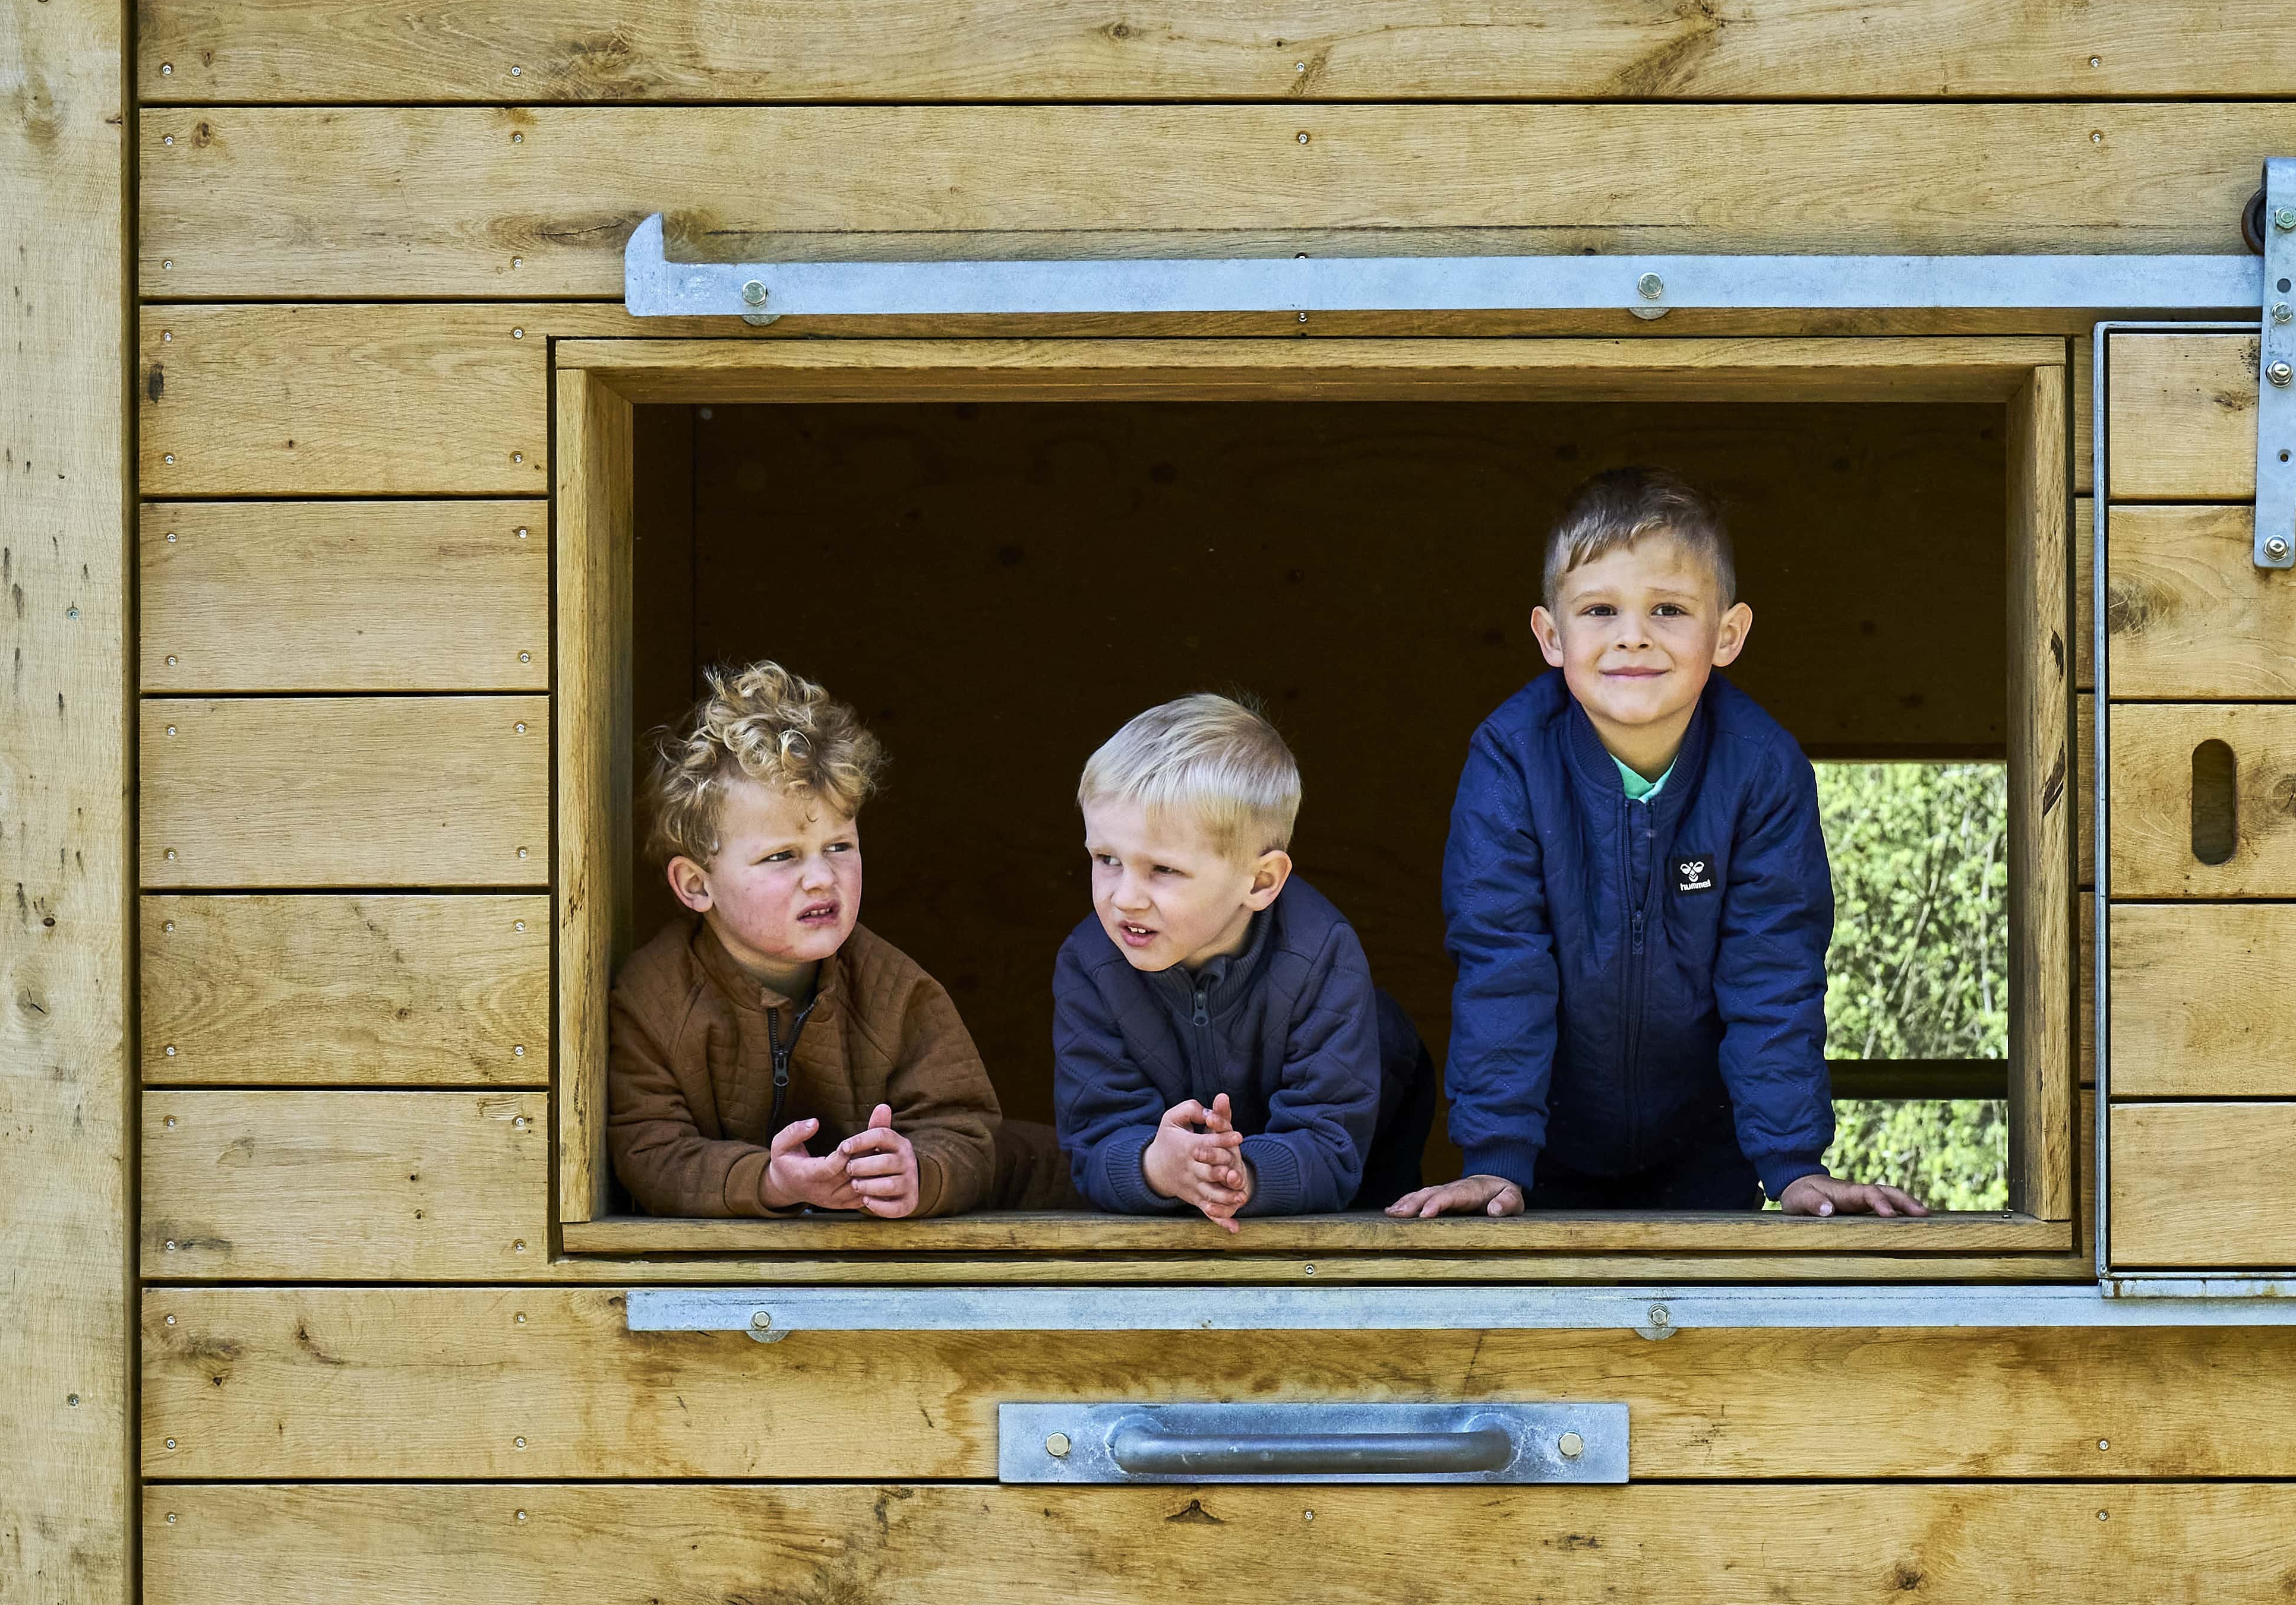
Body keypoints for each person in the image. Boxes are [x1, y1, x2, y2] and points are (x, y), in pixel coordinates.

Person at [1387, 467, 1924, 1223]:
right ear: (1551, 636)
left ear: (1727, 634)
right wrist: (1497, 1155)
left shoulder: (1762, 769)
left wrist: (1794, 1165)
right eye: (1599, 610)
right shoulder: (1512, 759)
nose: (1632, 635)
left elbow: (1773, 970)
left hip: (1710, 1149)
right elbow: (1502, 961)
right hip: (1543, 1151)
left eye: (1668, 609)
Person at [603, 660, 1060, 1217]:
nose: (822, 877)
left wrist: (917, 1172)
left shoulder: (895, 989)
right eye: (782, 856)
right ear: (697, 885)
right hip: (725, 1258)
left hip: (878, 1246)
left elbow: (965, 1129)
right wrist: (769, 1183)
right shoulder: (654, 998)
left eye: (839, 847)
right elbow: (648, 1150)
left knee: (1052, 1161)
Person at [1049, 694, 1432, 1227]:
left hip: (1355, 1186)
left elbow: (1331, 1145)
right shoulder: (1090, 963)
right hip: (1172, 1190)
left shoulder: (1319, 954)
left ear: (1260, 882)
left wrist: (1243, 1175)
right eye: (1107, 859)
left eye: (1163, 869)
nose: (1125, 898)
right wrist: (1156, 1167)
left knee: (1386, 1030)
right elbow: (1094, 1139)